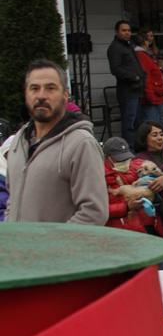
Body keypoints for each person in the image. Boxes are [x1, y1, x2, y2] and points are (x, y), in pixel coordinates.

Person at [5, 60, 109, 225]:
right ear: (26, 94)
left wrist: (52, 248)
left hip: (55, 250)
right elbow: (13, 199)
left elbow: (94, 213)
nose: (41, 96)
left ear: (65, 95)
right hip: (18, 249)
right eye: (34, 88)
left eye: (50, 88)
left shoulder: (81, 144)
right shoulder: (19, 141)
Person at [102, 137, 163, 235]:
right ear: (107, 158)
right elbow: (98, 210)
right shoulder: (100, 176)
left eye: (127, 158)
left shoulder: (139, 165)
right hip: (122, 231)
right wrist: (126, 207)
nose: (125, 162)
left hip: (150, 225)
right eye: (119, 159)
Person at [106, 20, 145, 148]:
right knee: (129, 123)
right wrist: (134, 76)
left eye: (129, 30)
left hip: (137, 90)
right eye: (124, 30)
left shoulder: (128, 46)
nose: (127, 33)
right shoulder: (115, 48)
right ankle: (130, 150)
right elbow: (115, 69)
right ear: (116, 32)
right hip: (127, 91)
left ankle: (138, 149)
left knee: (138, 122)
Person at [135, 28, 163, 126]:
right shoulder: (141, 55)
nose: (151, 40)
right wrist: (150, 97)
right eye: (148, 38)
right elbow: (146, 78)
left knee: (158, 124)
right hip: (151, 97)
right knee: (153, 125)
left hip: (157, 94)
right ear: (144, 41)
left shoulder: (151, 53)